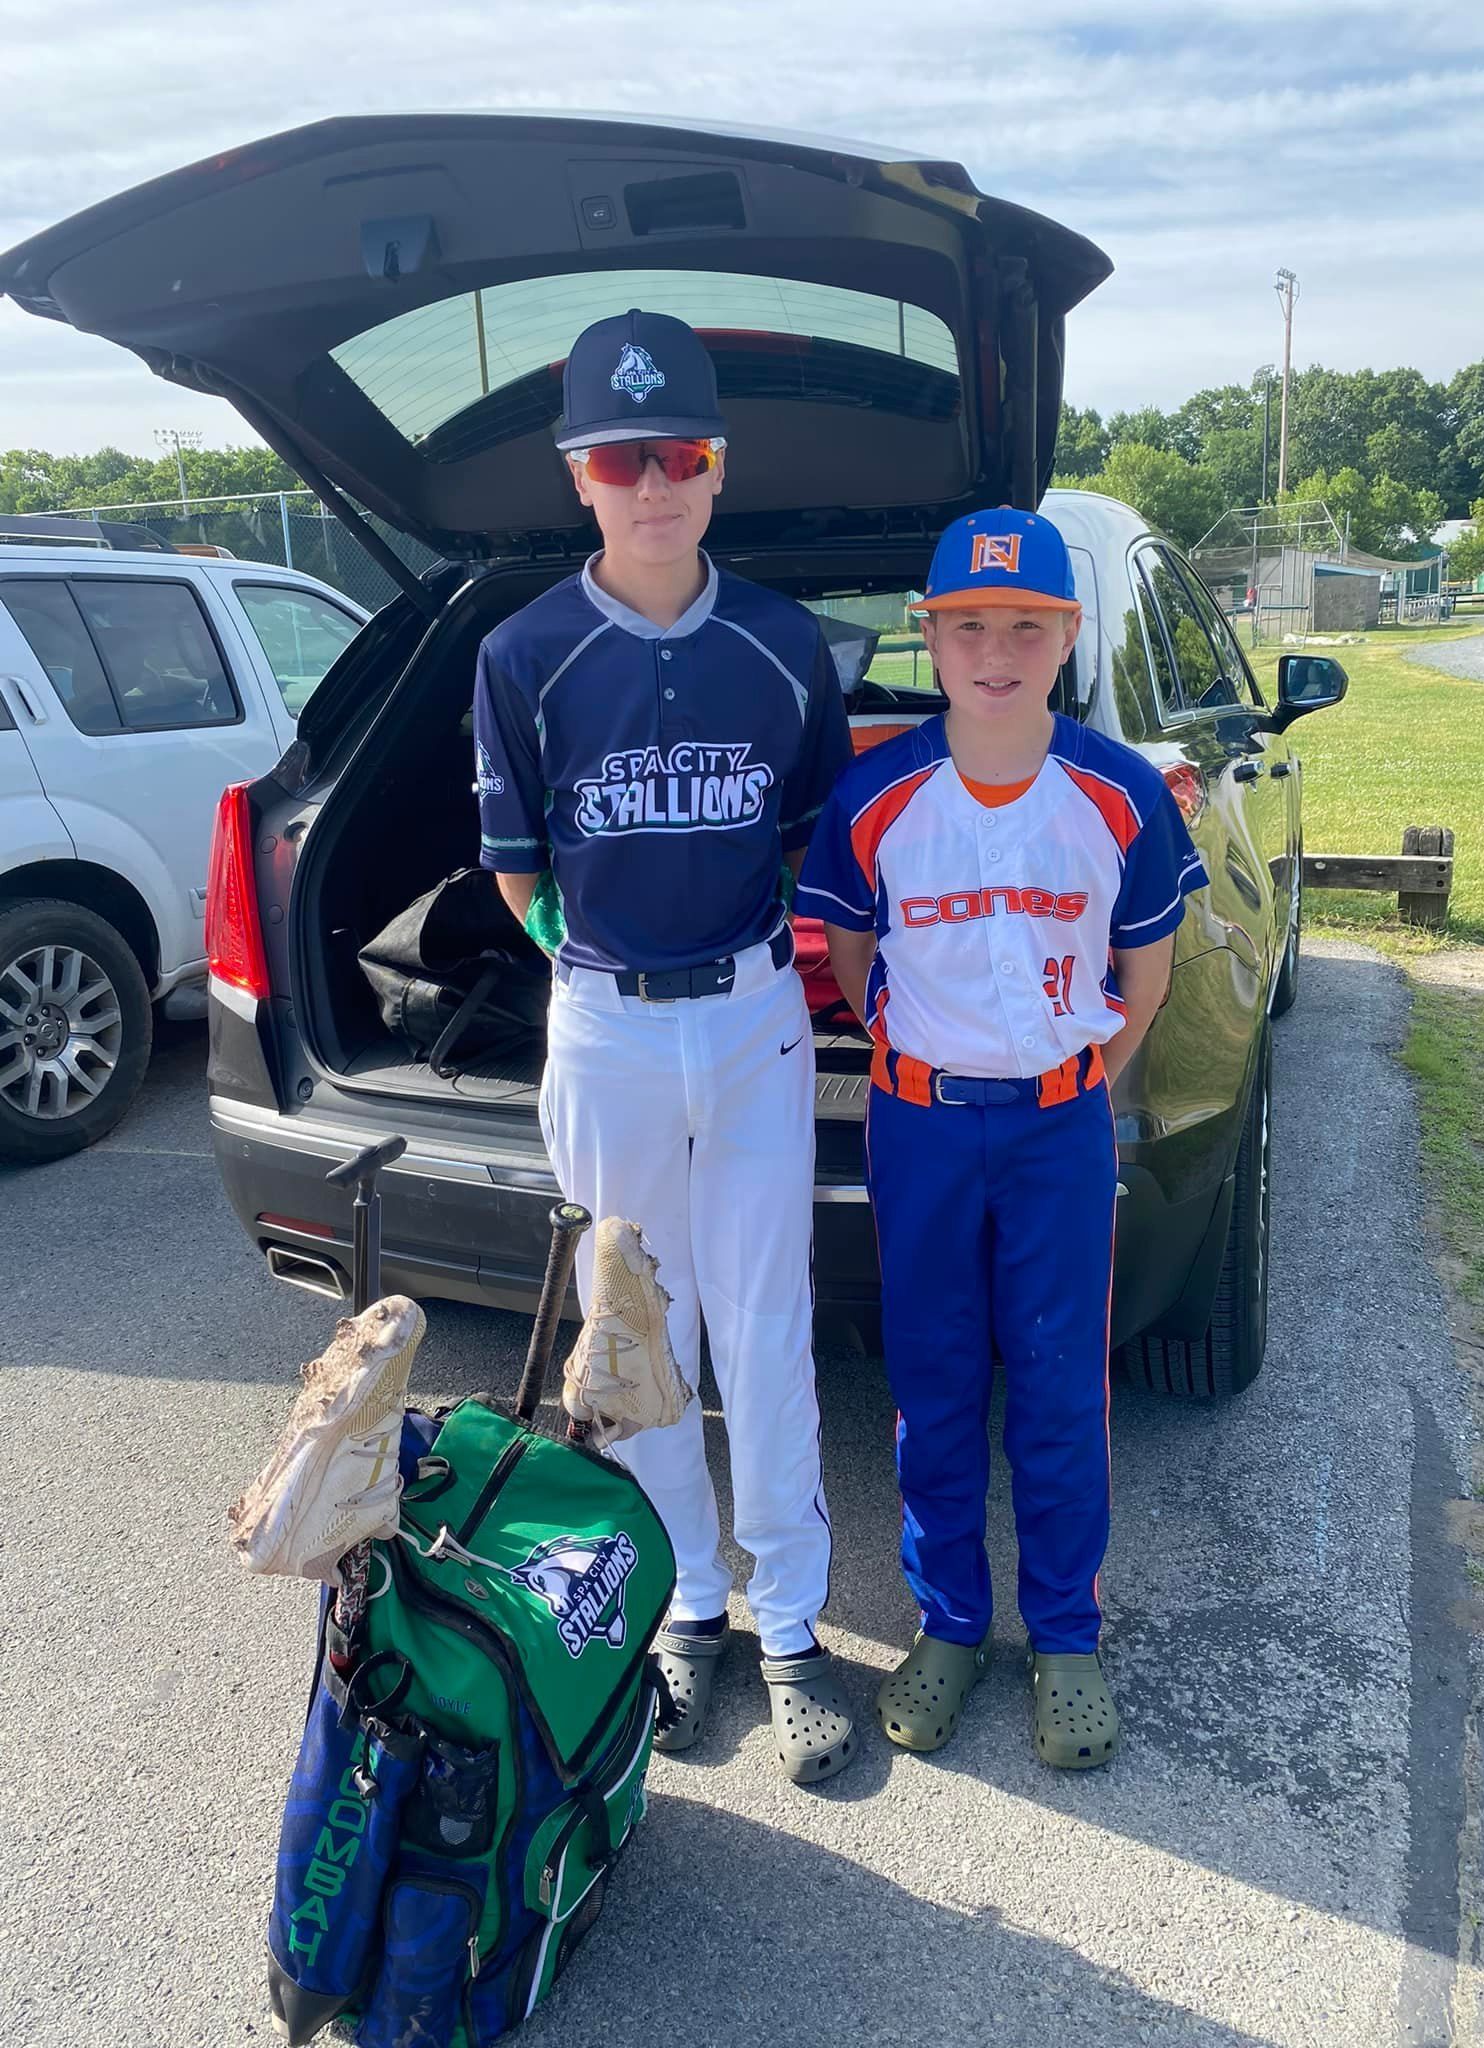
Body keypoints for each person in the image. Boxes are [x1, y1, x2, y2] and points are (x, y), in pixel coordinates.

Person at [473, 309, 858, 1785]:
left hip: (755, 1012)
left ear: (717, 467)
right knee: (640, 1328)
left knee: (766, 1321)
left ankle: (793, 1623)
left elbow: (819, 836)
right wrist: (601, 978)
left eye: (680, 452)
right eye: (623, 456)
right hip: (611, 1023)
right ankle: (687, 1605)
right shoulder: (525, 652)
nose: (655, 484)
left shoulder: (777, 644)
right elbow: (517, 870)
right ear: (581, 474)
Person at [795, 507, 1208, 1768]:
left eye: (1025, 624)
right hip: (920, 1121)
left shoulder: (1119, 792)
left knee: (1058, 1380)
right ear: (931, 633)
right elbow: (857, 954)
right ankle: (952, 1620)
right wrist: (923, 1047)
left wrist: (1072, 1080)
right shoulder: (877, 791)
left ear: (1066, 634)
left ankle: (1066, 1632)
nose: (995, 649)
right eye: (968, 624)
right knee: (931, 1378)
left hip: (1055, 1126)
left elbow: (1147, 971)